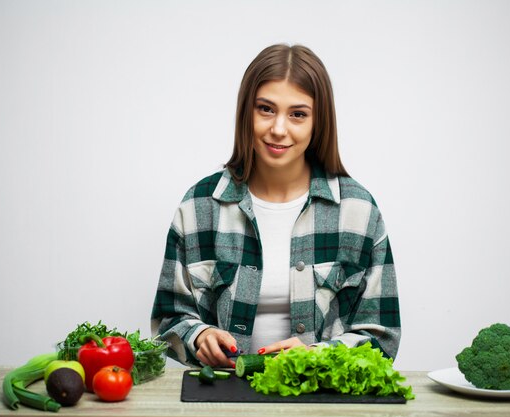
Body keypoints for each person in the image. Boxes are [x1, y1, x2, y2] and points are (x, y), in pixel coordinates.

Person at [151, 44, 400, 369]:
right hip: (224, 401)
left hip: (321, 404)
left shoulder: (359, 211)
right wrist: (199, 337)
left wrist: (319, 357)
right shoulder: (199, 206)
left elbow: (382, 337)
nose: (279, 129)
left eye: (298, 114)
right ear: (246, 112)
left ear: (318, 121)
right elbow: (169, 319)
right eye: (266, 109)